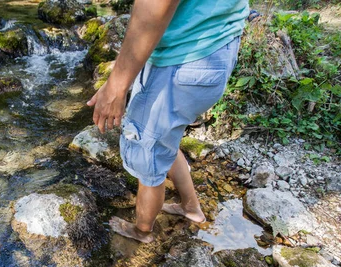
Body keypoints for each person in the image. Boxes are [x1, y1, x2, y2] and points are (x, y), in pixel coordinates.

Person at [87, 0, 249, 243]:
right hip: (216, 48)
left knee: (147, 155)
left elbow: (152, 11)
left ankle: (142, 231)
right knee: (163, 140)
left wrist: (116, 85)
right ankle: (191, 208)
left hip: (180, 60)